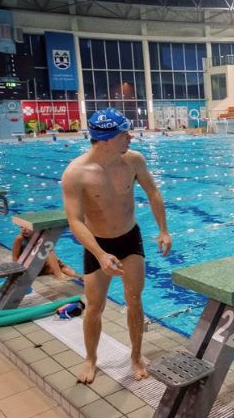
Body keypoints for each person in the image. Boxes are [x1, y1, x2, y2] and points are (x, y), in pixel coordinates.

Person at [61, 107, 172, 384]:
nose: (131, 137)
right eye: (125, 132)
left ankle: (135, 356)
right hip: (97, 244)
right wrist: (99, 254)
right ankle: (90, 359)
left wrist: (163, 230)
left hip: (129, 238)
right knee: (94, 307)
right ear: (108, 138)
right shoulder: (76, 173)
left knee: (134, 300)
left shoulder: (133, 161)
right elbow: (75, 221)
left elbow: (153, 192)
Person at [11, 226, 79, 280]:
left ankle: (79, 278)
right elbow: (15, 258)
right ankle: (58, 275)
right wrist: (20, 272)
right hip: (29, 268)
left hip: (40, 266)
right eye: (21, 227)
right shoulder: (19, 239)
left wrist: (55, 261)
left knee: (63, 267)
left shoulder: (40, 237)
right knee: (47, 248)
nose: (23, 229)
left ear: (36, 228)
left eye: (27, 227)